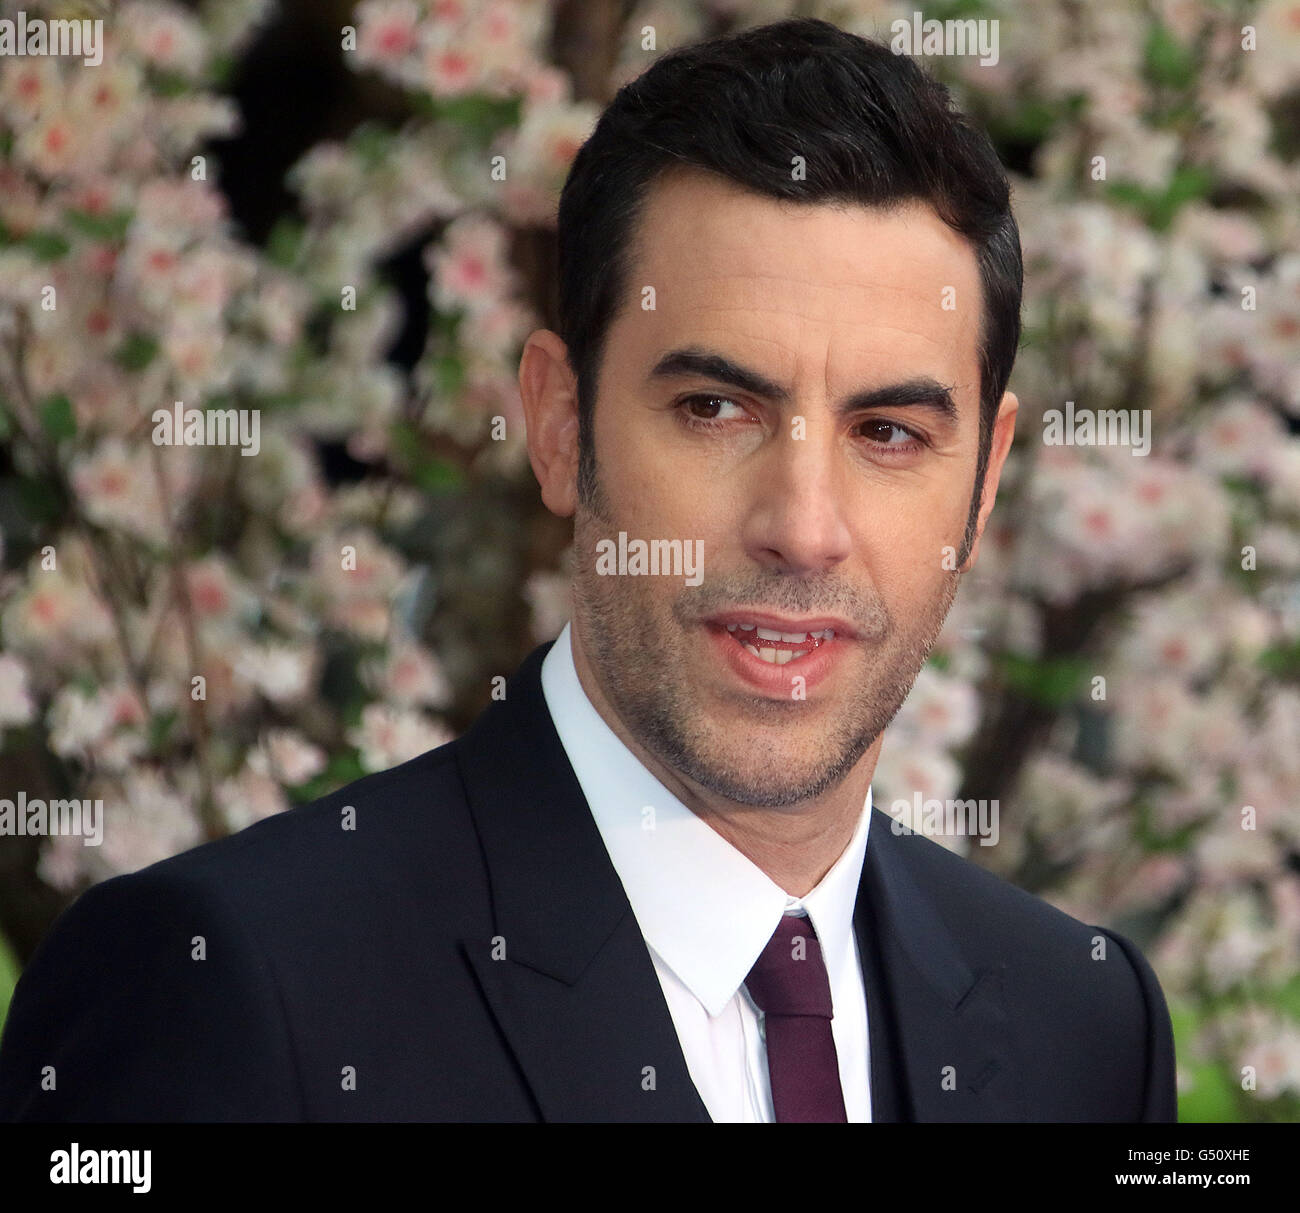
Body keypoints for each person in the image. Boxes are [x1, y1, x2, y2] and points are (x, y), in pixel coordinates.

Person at [0, 17, 1176, 1123]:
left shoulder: (1088, 1028)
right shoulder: (230, 986)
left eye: (889, 434)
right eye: (715, 408)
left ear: (982, 482)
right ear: (560, 426)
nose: (804, 527)